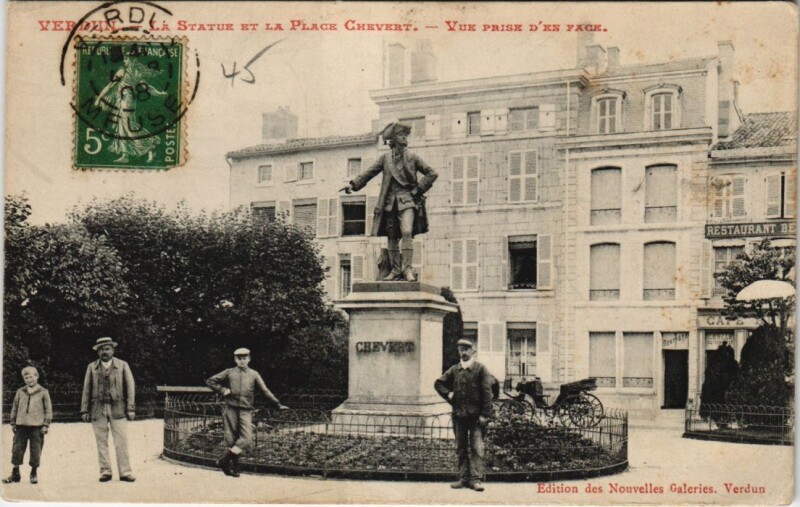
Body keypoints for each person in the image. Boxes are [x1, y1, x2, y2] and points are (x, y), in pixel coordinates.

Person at [339, 122, 438, 282]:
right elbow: (369, 172)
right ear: (392, 139)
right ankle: (395, 270)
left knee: (406, 232)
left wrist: (418, 190)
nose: (404, 137)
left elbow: (432, 173)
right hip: (390, 203)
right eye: (400, 134)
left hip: (408, 201)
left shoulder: (413, 157)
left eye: (405, 134)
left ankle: (407, 269)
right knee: (391, 238)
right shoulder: (385, 159)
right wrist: (353, 184)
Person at [206, 348, 289, 478]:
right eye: (239, 358)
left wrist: (277, 404)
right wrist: (222, 390)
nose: (242, 361)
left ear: (249, 359)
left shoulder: (254, 374)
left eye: (245, 358)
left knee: (246, 439)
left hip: (245, 410)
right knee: (231, 439)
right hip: (231, 408)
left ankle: (223, 461)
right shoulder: (229, 372)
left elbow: (265, 391)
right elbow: (210, 381)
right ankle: (234, 468)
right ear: (235, 359)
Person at [434, 338, 494, 492]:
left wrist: (485, 415)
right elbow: (438, 383)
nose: (463, 353)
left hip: (476, 418)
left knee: (476, 448)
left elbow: (488, 394)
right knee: (461, 448)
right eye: (460, 350)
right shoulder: (454, 370)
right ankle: (463, 478)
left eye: (466, 350)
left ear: (472, 351)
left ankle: (476, 480)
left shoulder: (481, 369)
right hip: (459, 416)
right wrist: (449, 395)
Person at [80, 337, 137, 483]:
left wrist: (130, 408)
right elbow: (86, 389)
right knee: (101, 442)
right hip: (98, 409)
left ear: (113, 350)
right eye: (101, 349)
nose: (104, 352)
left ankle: (125, 472)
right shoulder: (92, 367)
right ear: (97, 352)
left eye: (107, 348)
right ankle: (105, 471)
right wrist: (84, 410)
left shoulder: (122, 365)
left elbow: (130, 388)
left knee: (121, 441)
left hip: (118, 408)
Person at [3, 366, 52, 484]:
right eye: (26, 377)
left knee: (36, 450)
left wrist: (46, 424)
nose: (29, 379)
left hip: (37, 427)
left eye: (31, 377)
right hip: (21, 426)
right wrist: (13, 422)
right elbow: (14, 407)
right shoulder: (20, 392)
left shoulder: (43, 392)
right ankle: (15, 473)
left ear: (37, 376)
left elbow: (48, 410)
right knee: (17, 449)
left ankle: (33, 473)